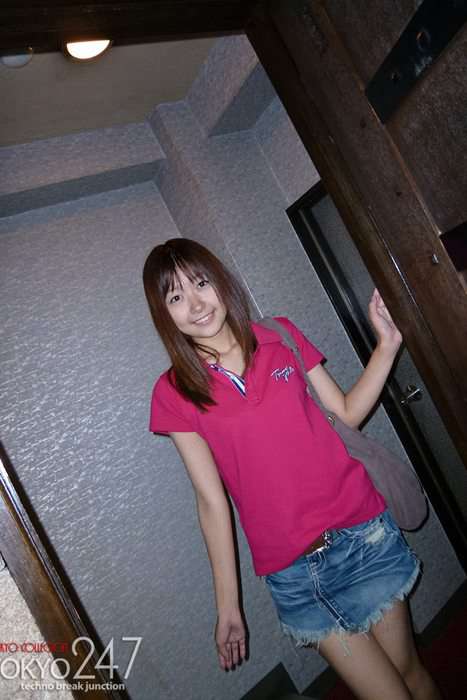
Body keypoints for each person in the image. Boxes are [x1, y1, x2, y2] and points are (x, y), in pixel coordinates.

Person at [143, 237, 442, 700]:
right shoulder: (174, 392)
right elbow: (210, 500)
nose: (196, 304)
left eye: (201, 283)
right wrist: (228, 605)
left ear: (220, 283)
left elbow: (345, 412)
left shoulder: (278, 335)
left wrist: (387, 346)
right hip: (295, 575)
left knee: (409, 672)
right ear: (164, 314)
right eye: (176, 296)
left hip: (363, 535)